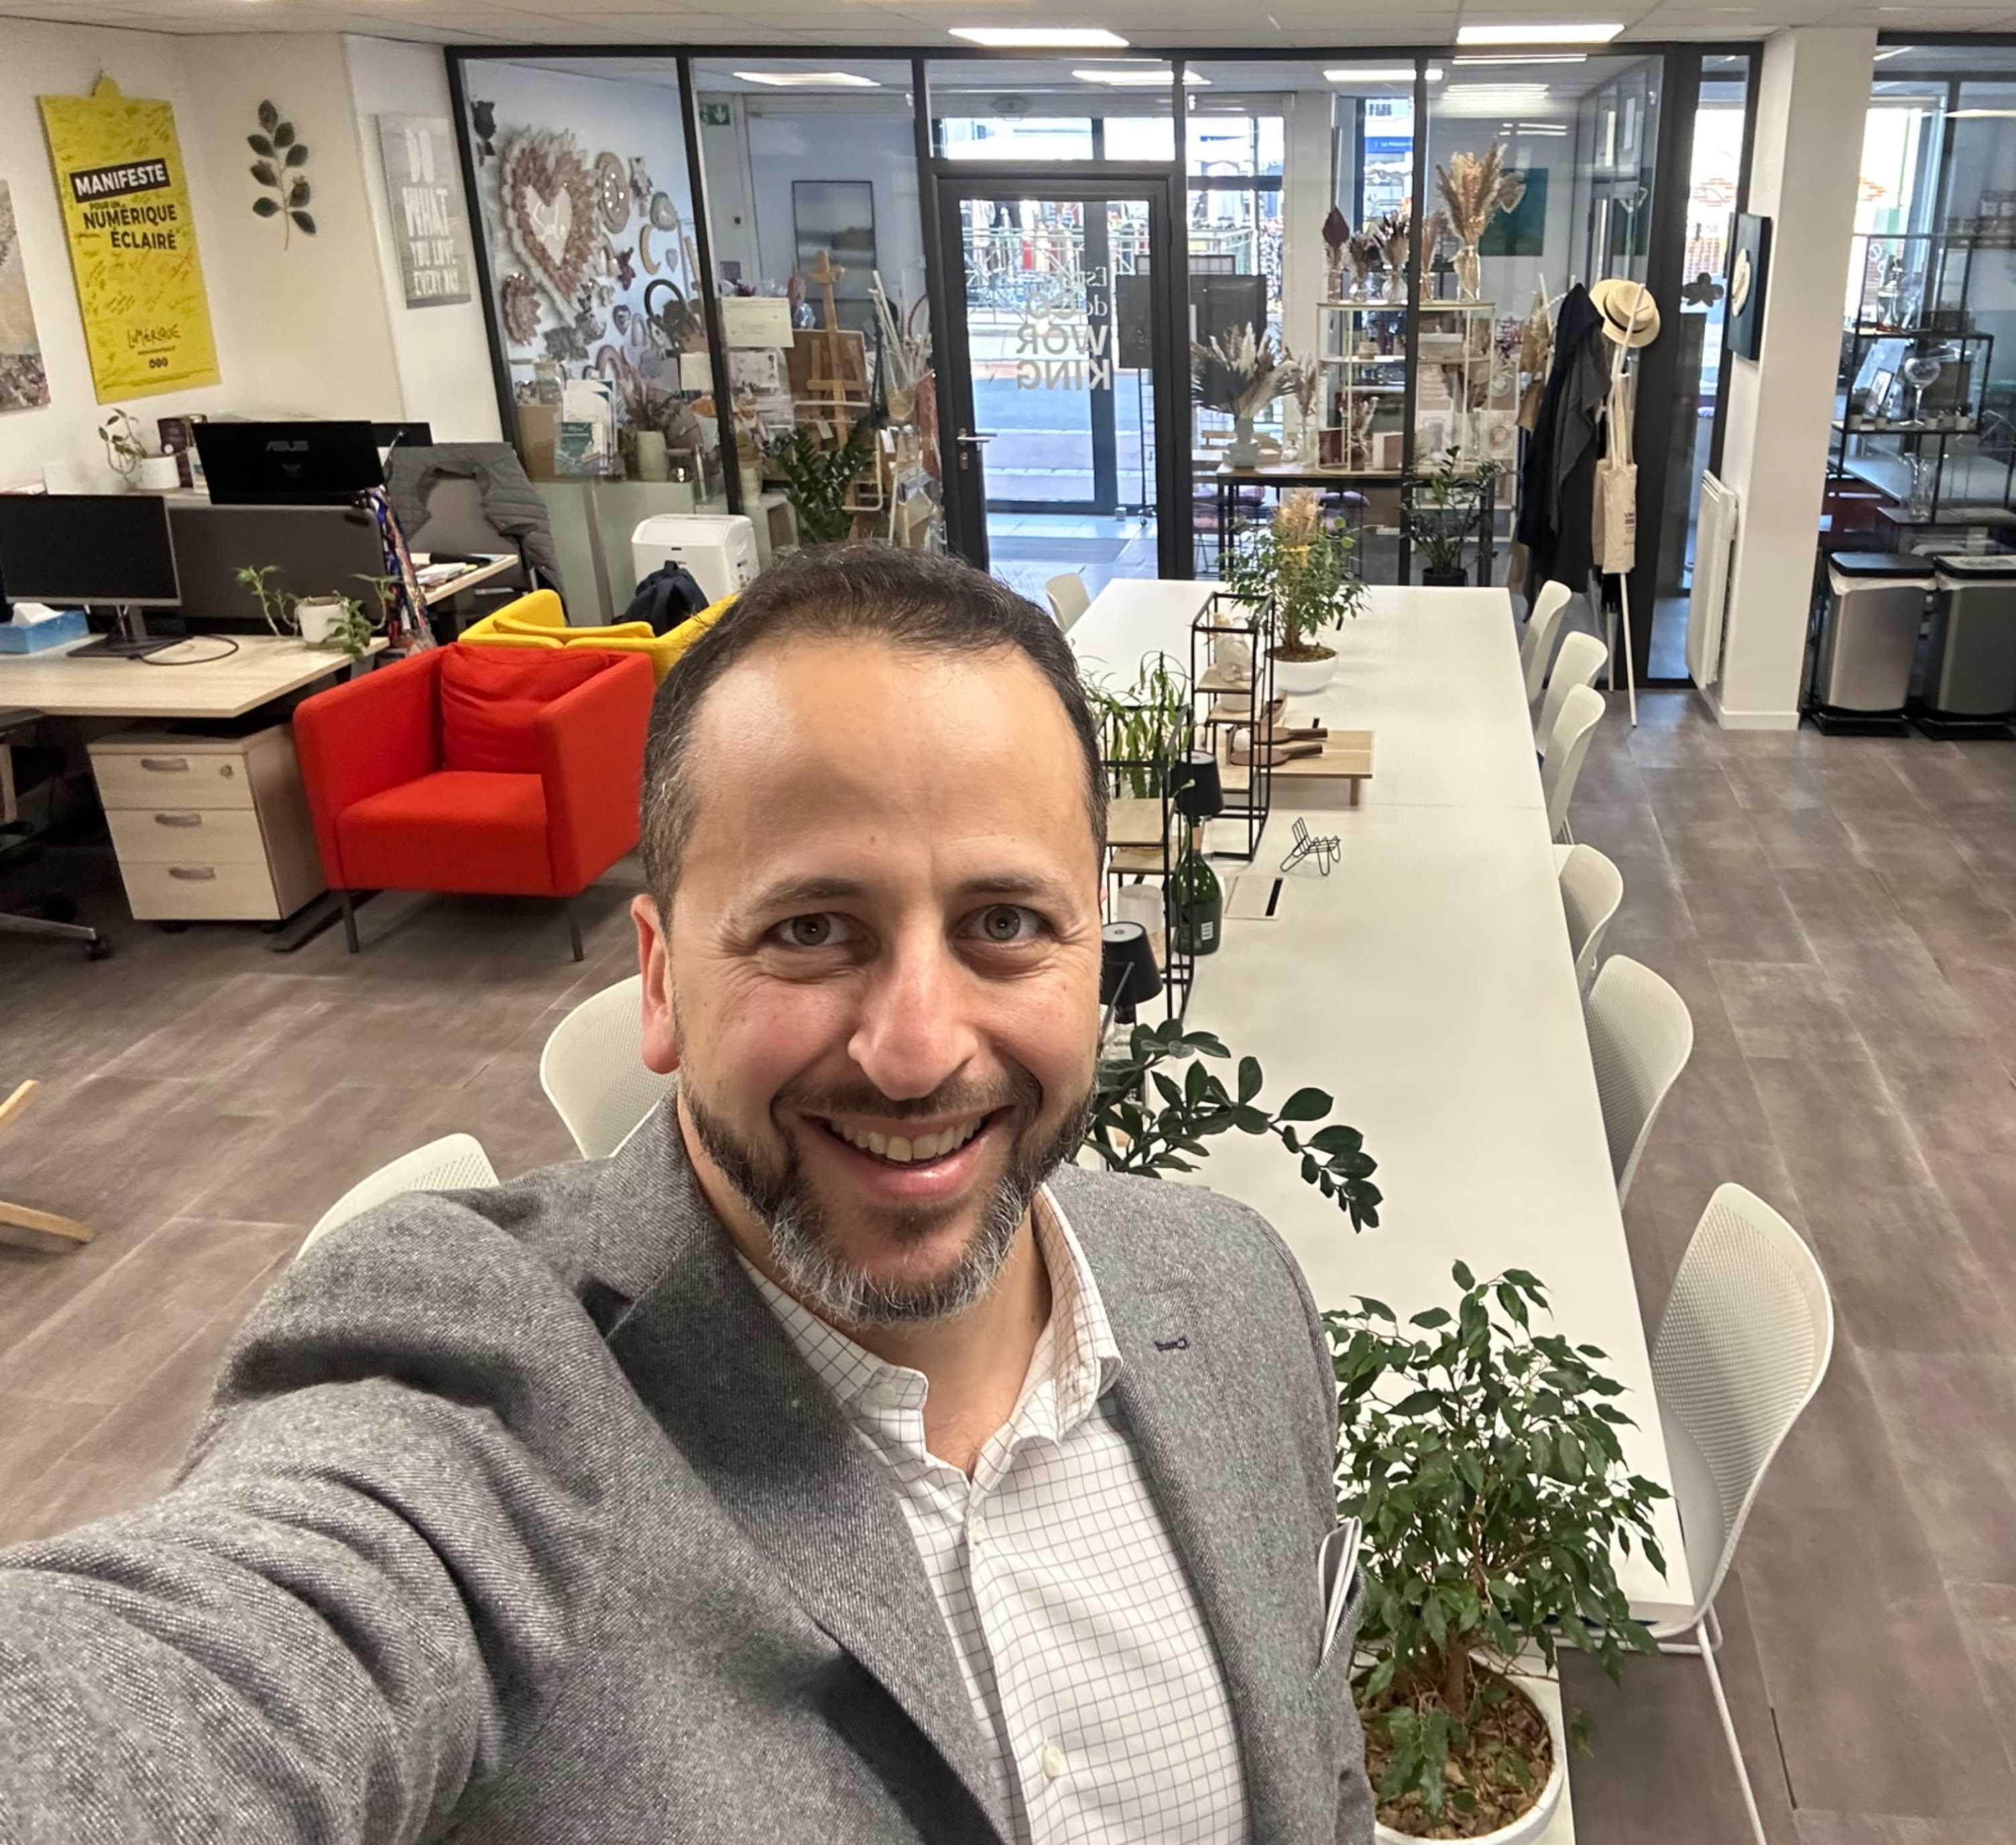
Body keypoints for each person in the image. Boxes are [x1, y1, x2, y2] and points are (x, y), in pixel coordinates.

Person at [0, 546, 1370, 1845]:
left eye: (1003, 924)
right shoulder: (478, 1389)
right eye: (811, 930)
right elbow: (194, 1676)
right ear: (659, 980)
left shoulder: (1236, 1292)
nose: (915, 1050)